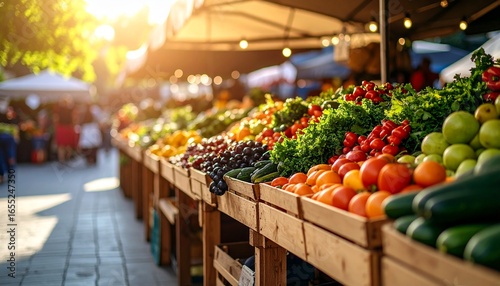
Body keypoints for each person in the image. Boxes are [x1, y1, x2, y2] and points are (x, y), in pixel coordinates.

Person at [53, 97, 77, 164]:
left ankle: (62, 160)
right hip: (68, 128)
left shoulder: (58, 110)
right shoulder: (70, 109)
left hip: (61, 128)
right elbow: (74, 119)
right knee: (68, 145)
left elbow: (55, 119)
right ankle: (67, 159)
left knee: (61, 146)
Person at [0, 106, 19, 183]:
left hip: (9, 141)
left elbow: (15, 131)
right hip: (2, 140)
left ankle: (10, 175)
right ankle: (2, 175)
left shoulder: (13, 120)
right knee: (2, 158)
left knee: (10, 158)